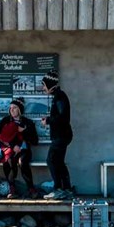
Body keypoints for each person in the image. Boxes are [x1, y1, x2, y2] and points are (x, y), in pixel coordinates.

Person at [0, 98, 41, 199]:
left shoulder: (28, 122)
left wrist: (23, 131)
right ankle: (12, 188)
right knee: (9, 160)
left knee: (23, 162)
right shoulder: (5, 121)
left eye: (15, 108)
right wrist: (13, 145)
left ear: (20, 110)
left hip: (24, 150)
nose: (11, 110)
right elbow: (0, 137)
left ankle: (31, 188)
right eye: (10, 108)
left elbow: (35, 141)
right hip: (9, 149)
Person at [40, 70, 73, 200]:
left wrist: (48, 121)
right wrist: (49, 119)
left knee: (51, 160)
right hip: (62, 135)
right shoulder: (58, 96)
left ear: (50, 84)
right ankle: (67, 188)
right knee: (59, 162)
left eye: (44, 85)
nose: (43, 88)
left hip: (61, 136)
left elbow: (63, 117)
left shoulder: (60, 97)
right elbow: (60, 116)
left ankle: (58, 189)